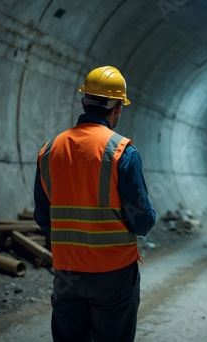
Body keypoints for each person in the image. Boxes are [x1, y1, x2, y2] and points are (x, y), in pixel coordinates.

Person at [34, 66, 156, 342]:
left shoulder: (49, 150)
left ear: (83, 102)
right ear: (117, 109)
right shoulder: (122, 152)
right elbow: (140, 220)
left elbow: (43, 217)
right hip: (113, 274)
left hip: (67, 271)